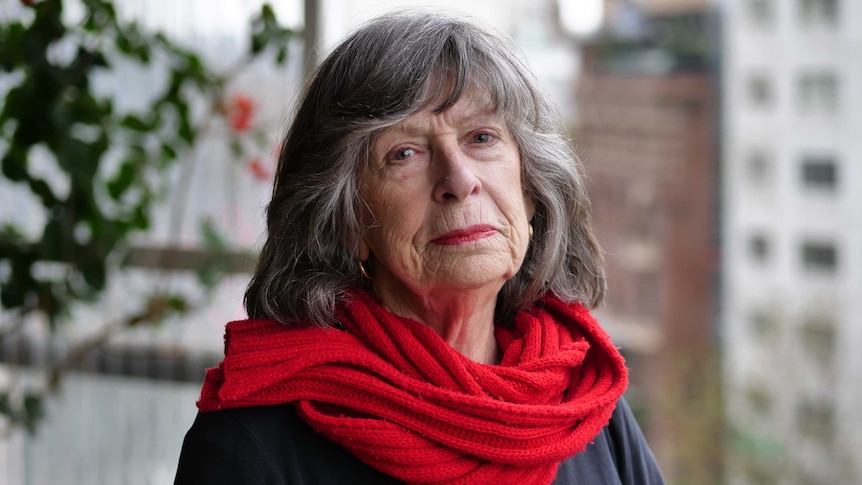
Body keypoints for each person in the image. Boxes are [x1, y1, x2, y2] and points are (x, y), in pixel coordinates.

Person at [174, 10, 664, 485]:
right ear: (345, 221)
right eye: (403, 153)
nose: (459, 179)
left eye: (481, 137)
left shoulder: (585, 404)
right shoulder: (255, 442)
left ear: (531, 192)